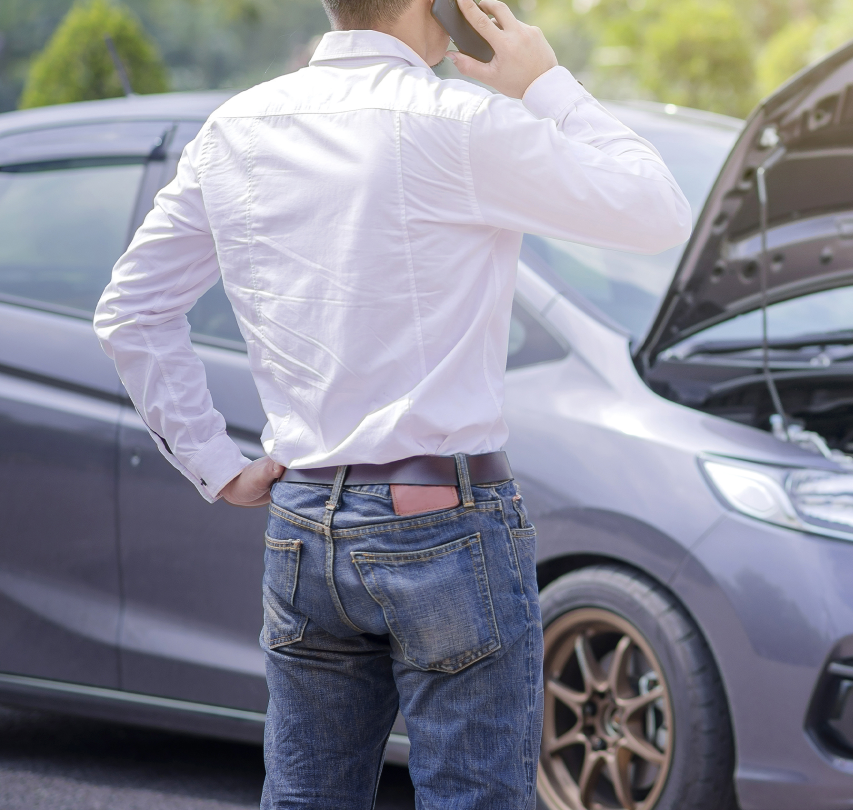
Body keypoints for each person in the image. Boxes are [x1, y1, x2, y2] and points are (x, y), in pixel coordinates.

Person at [92, 0, 691, 804]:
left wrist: (216, 466)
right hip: (443, 519)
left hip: (303, 524)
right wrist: (548, 84)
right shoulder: (460, 122)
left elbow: (130, 312)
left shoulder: (236, 127)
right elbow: (656, 211)